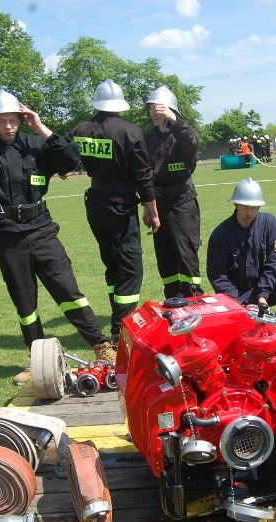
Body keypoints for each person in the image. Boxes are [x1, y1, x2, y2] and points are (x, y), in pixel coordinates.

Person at [0, 89, 116, 385]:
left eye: (14, 120)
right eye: (2, 121)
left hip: (41, 228)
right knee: (25, 302)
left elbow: (71, 160)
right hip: (7, 234)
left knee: (68, 290)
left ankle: (101, 346)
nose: (9, 127)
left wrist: (40, 127)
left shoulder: (36, 144)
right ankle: (37, 361)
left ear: (22, 120)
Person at [69, 79, 159, 341]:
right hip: (121, 204)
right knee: (130, 267)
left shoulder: (81, 129)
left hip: (95, 203)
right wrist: (152, 211)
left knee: (112, 263)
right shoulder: (130, 132)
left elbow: (64, 155)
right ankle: (122, 330)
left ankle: (117, 319)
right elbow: (143, 176)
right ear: (120, 104)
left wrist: (62, 168)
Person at [207, 178, 276, 324]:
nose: (250, 212)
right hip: (235, 295)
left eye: (254, 207)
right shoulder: (220, 234)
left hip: (262, 288)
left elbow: (273, 263)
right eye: (245, 207)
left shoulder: (270, 224)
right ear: (236, 204)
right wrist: (240, 304)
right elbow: (218, 276)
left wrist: (263, 295)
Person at [143, 86, 202, 299]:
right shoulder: (148, 137)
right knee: (165, 257)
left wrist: (175, 120)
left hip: (182, 203)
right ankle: (172, 298)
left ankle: (193, 299)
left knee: (186, 255)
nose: (153, 113)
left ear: (170, 110)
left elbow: (192, 142)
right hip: (159, 205)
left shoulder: (185, 133)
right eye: (150, 109)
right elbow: (145, 173)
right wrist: (147, 206)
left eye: (158, 109)